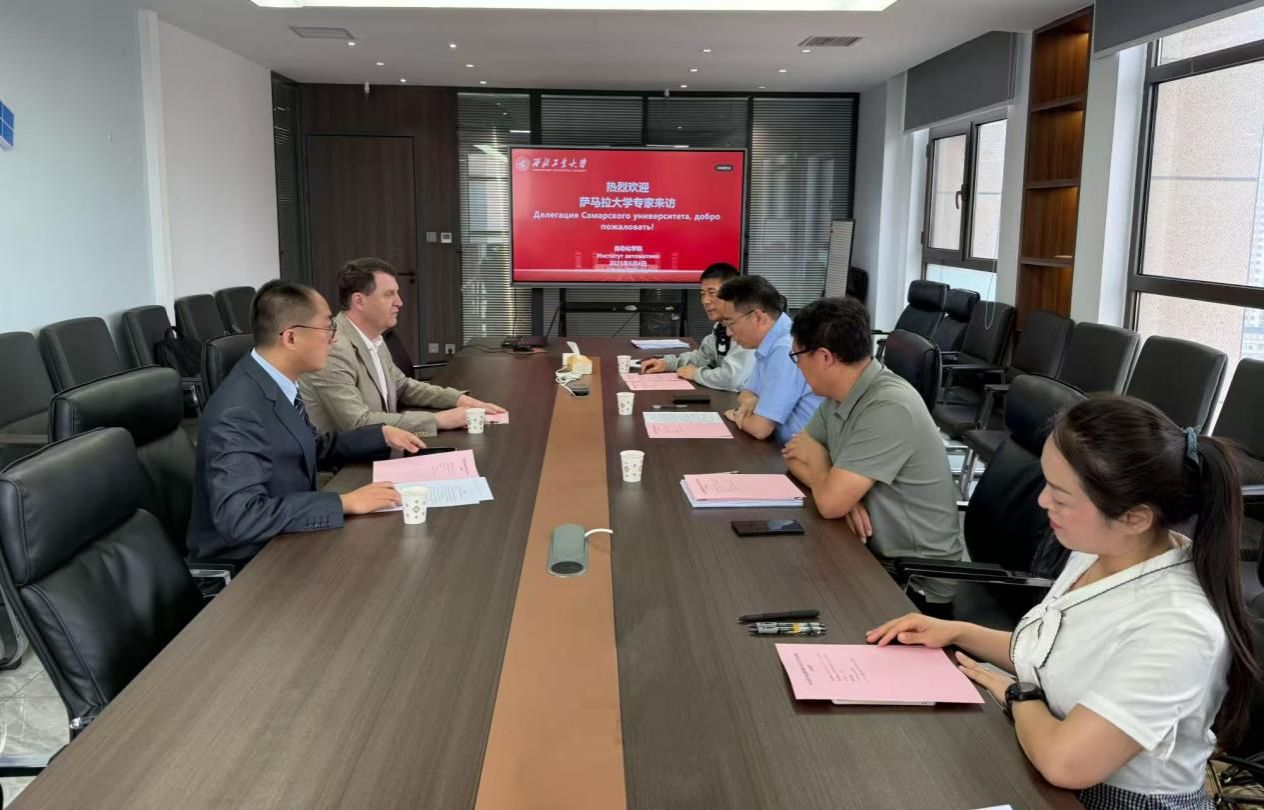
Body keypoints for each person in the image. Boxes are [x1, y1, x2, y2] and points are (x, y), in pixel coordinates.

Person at [868, 396, 1258, 808]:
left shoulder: (1178, 627)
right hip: (1044, 761)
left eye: (1060, 495)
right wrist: (958, 632)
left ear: (1135, 517)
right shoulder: (1102, 548)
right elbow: (1056, 656)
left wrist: (1019, 696)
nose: (1042, 501)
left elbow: (1065, 763)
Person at [188, 280, 426, 565]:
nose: (334, 340)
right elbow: (241, 517)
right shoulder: (238, 411)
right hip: (253, 563)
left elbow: (308, 446)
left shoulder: (274, 382)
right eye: (328, 328)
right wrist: (343, 502)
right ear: (291, 338)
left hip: (288, 539)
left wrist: (380, 435)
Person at [781, 297, 962, 609]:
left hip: (914, 582)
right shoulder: (841, 393)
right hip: (869, 552)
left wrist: (832, 486)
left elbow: (829, 502)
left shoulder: (889, 406)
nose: (797, 367)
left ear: (824, 357)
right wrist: (838, 491)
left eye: (797, 356)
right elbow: (795, 453)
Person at [299, 258, 504, 437]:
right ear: (359, 301)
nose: (400, 302)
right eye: (389, 294)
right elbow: (358, 423)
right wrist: (438, 420)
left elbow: (401, 386)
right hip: (346, 465)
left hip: (381, 448)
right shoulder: (333, 348)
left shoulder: (374, 337)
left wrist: (458, 399)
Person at [715, 275, 822, 444]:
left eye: (731, 323)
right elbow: (747, 393)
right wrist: (750, 403)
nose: (728, 332)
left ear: (758, 317)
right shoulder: (770, 341)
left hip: (801, 452)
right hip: (779, 446)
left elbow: (760, 429)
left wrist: (736, 415)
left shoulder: (786, 348)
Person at [638, 262, 754, 391]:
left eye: (712, 293)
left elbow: (732, 379)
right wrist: (667, 363)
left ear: (733, 295)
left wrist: (695, 374)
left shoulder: (748, 328)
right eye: (703, 294)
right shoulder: (720, 327)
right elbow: (703, 358)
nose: (706, 301)